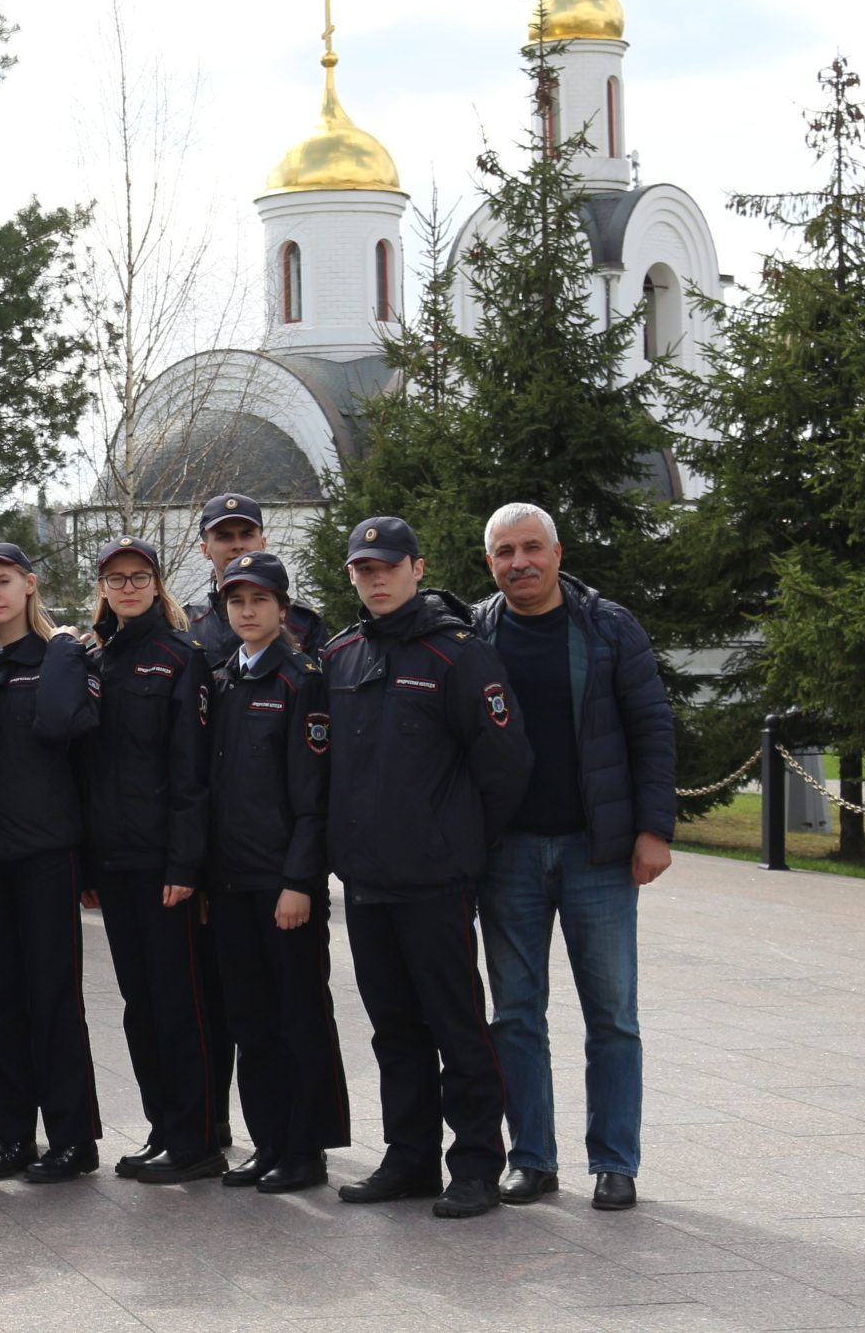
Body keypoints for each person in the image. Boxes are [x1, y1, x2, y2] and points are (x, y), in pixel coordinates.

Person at [471, 502, 674, 1213]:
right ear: (489, 561)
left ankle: (615, 1161)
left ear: (557, 552)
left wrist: (655, 828)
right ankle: (532, 1158)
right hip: (509, 856)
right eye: (505, 551)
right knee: (517, 1014)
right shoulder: (475, 632)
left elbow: (651, 727)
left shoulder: (608, 627)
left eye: (532, 548)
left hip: (599, 852)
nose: (519, 562)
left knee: (612, 1015)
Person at [326, 516, 531, 1219]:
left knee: (456, 1024)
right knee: (394, 1029)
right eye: (362, 568)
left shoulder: (457, 654)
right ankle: (408, 1157)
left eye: (387, 565)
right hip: (368, 882)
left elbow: (506, 765)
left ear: (417, 566)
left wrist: (459, 841)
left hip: (435, 880)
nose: (375, 577)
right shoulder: (342, 655)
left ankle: (475, 1164)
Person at [75, 536, 222, 1185]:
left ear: (156, 584)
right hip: (115, 860)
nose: (128, 587)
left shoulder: (179, 655)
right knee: (139, 1002)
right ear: (103, 586)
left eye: (139, 577)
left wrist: (185, 866)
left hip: (165, 865)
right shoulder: (95, 657)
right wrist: (86, 866)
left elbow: (191, 771)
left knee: (177, 1000)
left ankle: (196, 1138)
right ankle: (163, 1127)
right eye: (116, 577)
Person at [0, 542, 103, 1184]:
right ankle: (14, 1135)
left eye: (3, 581)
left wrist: (65, 652)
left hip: (45, 852)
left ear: (29, 585)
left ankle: (73, 1139)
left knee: (52, 1000)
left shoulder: (58, 658)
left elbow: (65, 730)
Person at [202, 552, 348, 1195]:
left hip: (281, 883)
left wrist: (299, 882)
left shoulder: (302, 679)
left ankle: (305, 1148)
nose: (248, 611)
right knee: (250, 1019)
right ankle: (267, 1143)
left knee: (298, 1016)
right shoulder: (223, 679)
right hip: (232, 881)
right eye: (236, 601)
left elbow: (314, 796)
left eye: (260, 600)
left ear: (282, 608)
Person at [185, 495, 331, 663]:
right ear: (205, 550)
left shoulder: (303, 620)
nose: (238, 545)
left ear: (262, 544)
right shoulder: (187, 623)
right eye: (224, 537)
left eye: (246, 535)